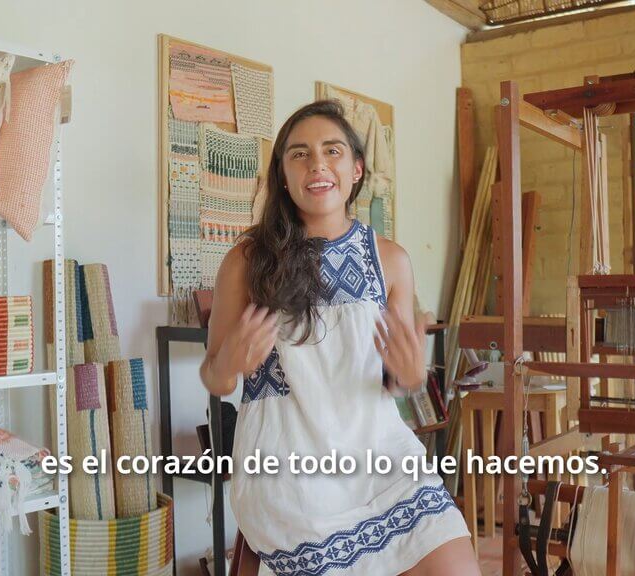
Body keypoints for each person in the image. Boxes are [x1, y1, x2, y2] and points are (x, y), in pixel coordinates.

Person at [200, 100, 481, 576]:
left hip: (380, 455)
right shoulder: (247, 261)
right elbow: (215, 377)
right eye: (300, 154)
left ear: (356, 169)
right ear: (283, 176)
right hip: (288, 467)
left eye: (332, 151)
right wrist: (229, 361)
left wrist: (410, 376)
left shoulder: (391, 260)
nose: (317, 164)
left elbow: (396, 378)